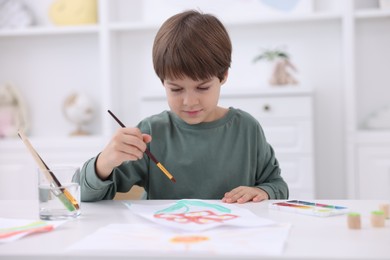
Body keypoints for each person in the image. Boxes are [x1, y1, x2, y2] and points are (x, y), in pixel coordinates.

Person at [78, 10, 289, 203]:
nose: (189, 101)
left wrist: (264, 192)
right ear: (163, 82)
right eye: (176, 90)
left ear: (223, 76)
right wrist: (103, 162)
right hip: (167, 241)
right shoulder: (152, 132)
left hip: (231, 241)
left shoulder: (247, 129)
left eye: (203, 87)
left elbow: (278, 186)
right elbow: (81, 195)